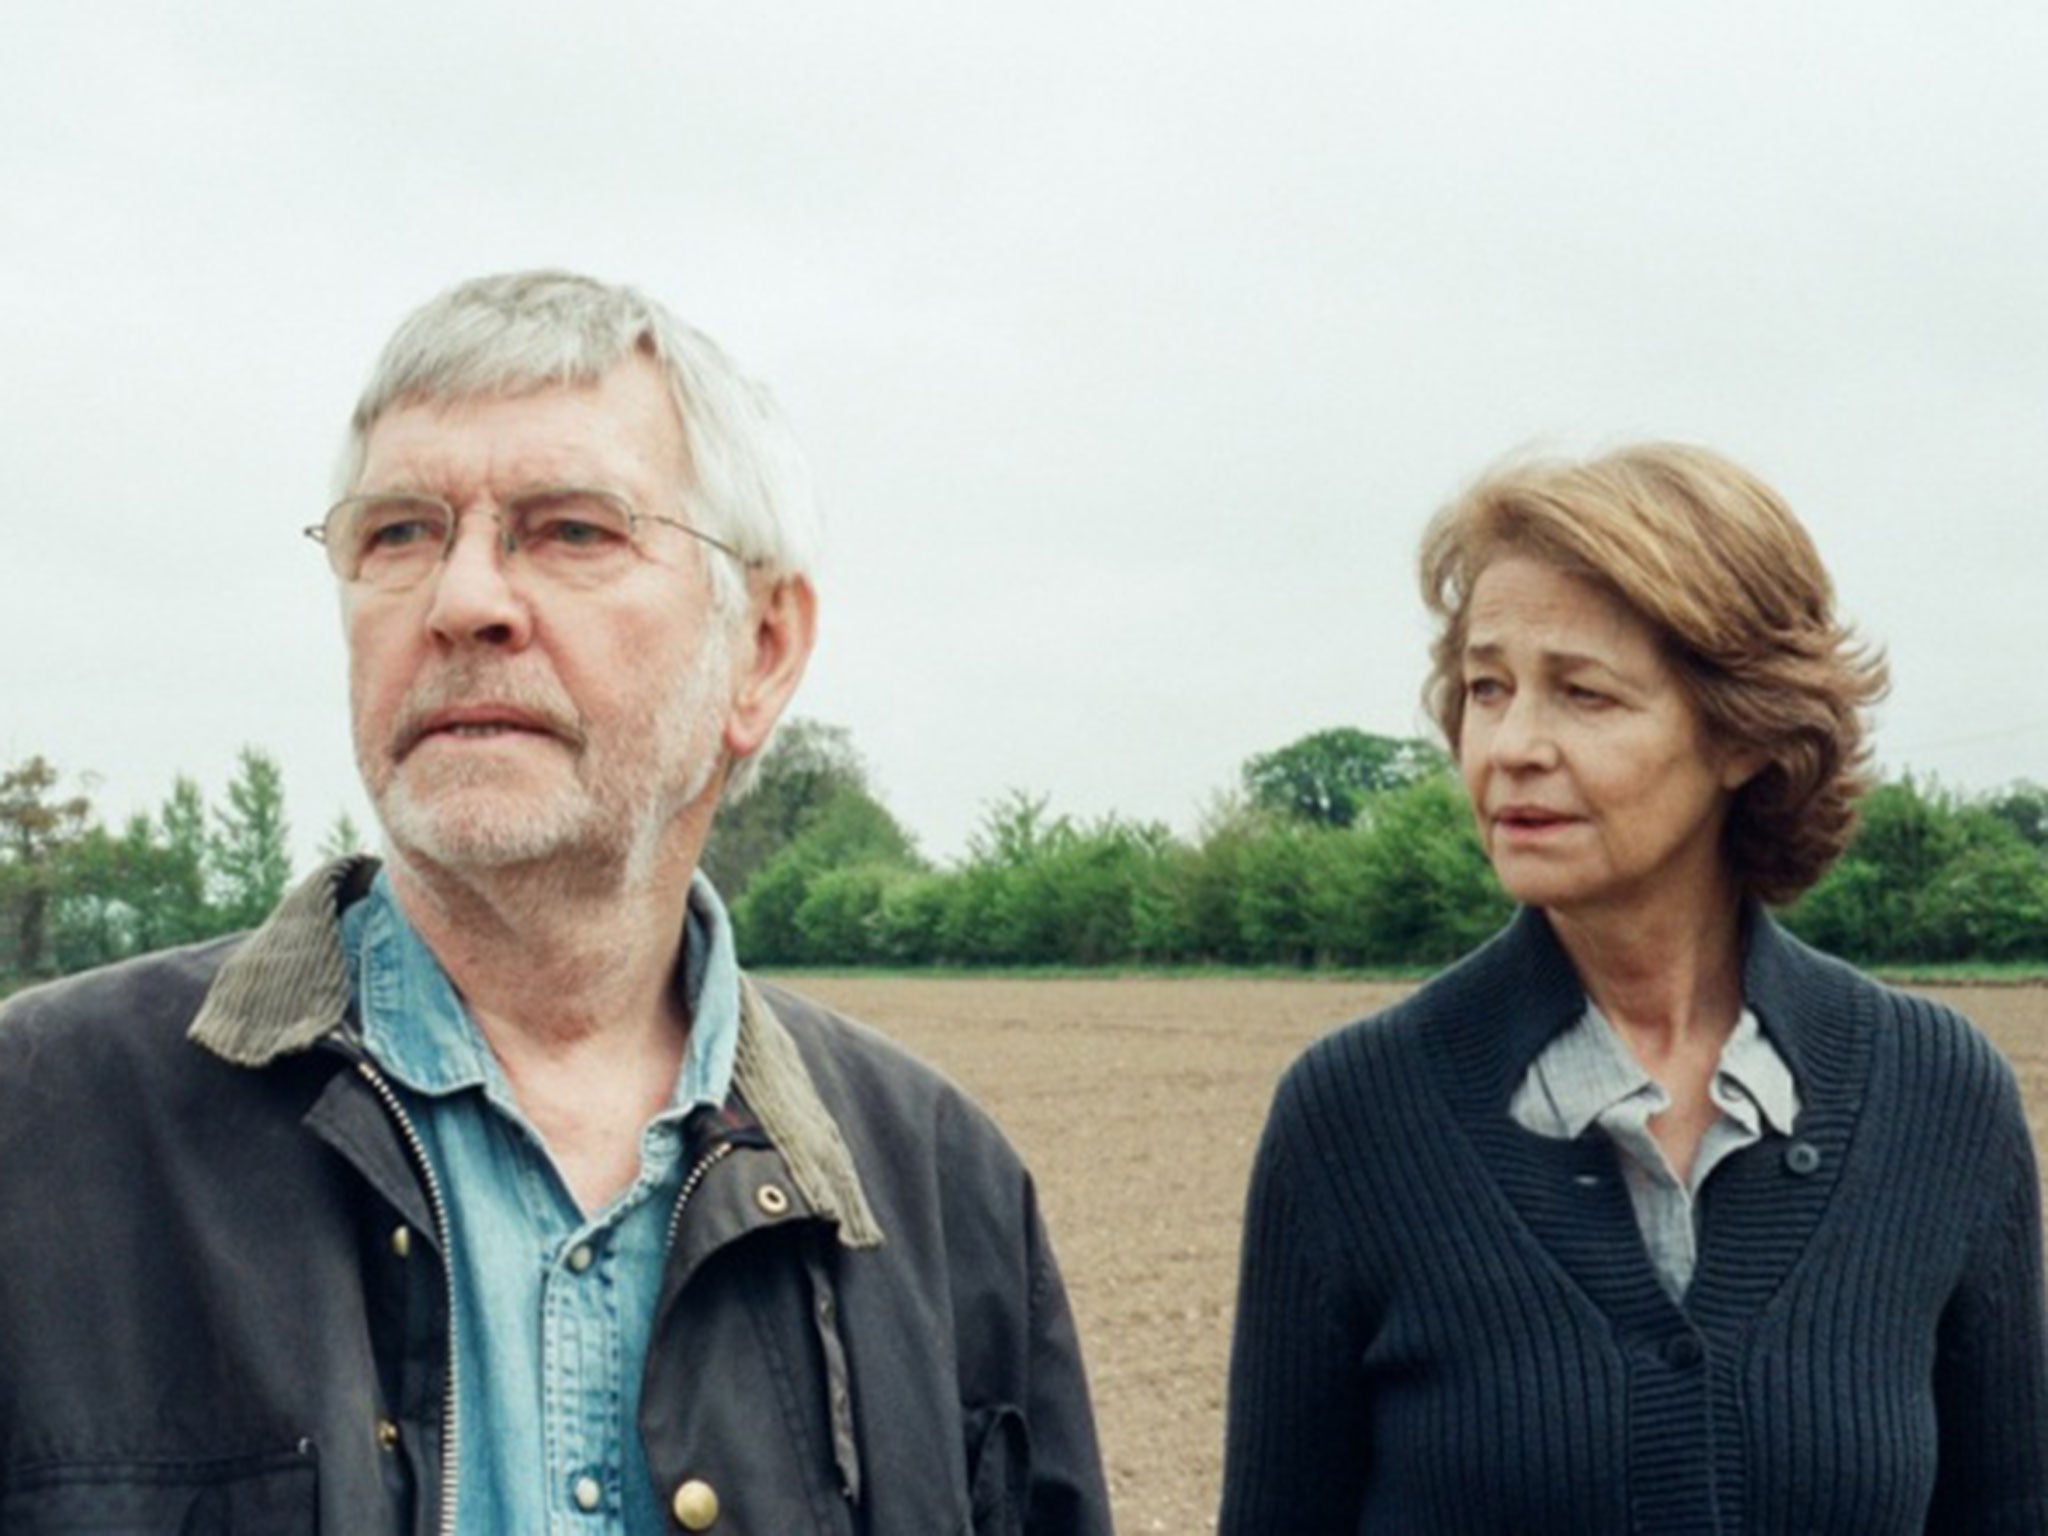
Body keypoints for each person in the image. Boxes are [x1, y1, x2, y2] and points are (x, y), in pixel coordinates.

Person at [0, 270, 1110, 1535]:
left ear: (759, 650)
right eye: (398, 533)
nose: (462, 601)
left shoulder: (943, 1192)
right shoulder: (38, 1129)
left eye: (571, 529)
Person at [1219, 443, 2048, 1533]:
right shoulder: (1353, 1117)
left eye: (1582, 694)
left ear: (1744, 732)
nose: (1510, 745)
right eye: (1484, 687)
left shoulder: (1938, 1102)